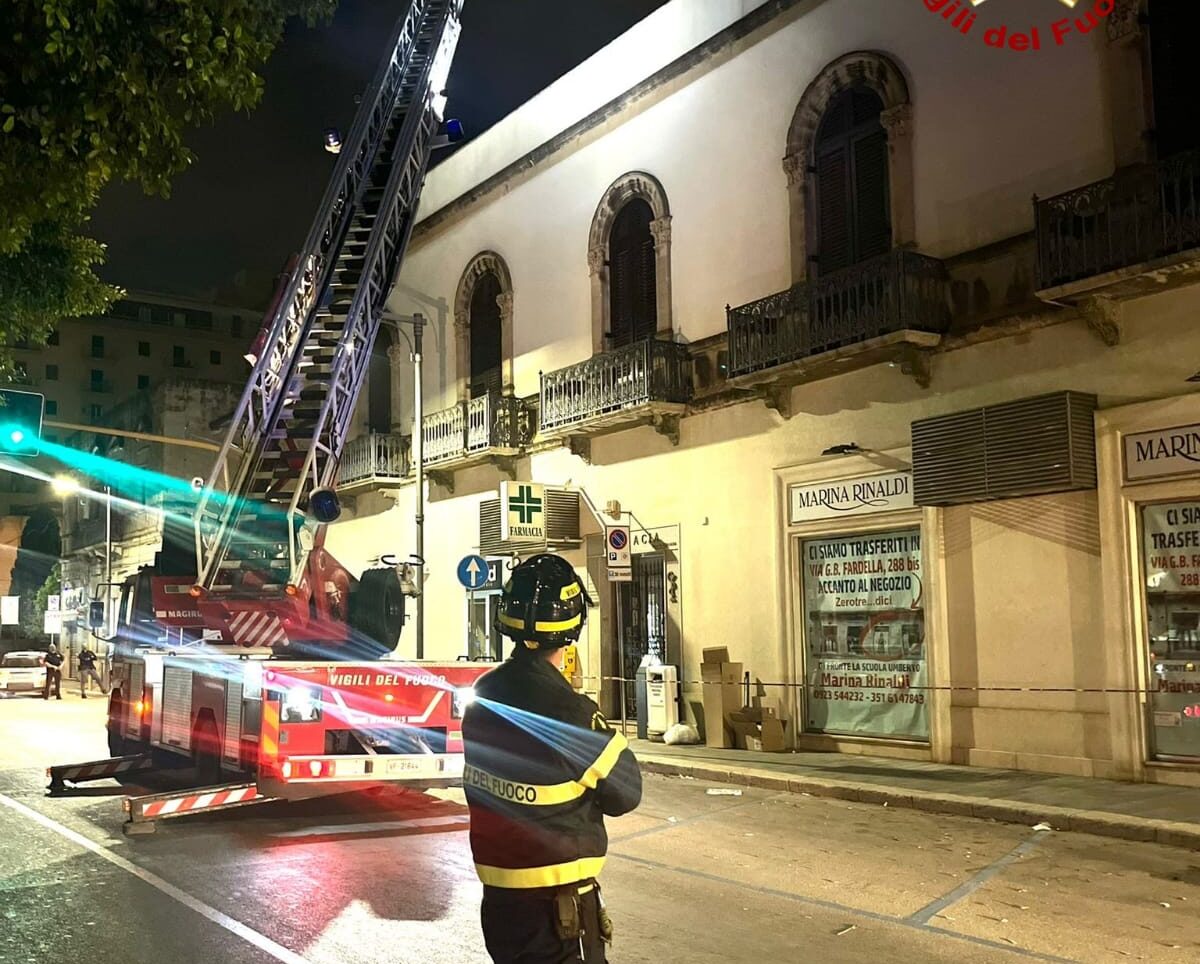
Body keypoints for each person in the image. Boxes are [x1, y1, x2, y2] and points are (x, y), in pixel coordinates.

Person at [462, 554, 642, 964]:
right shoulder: (569, 711)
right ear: (571, 627)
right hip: (558, 913)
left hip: (502, 906)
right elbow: (627, 793)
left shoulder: (483, 695)